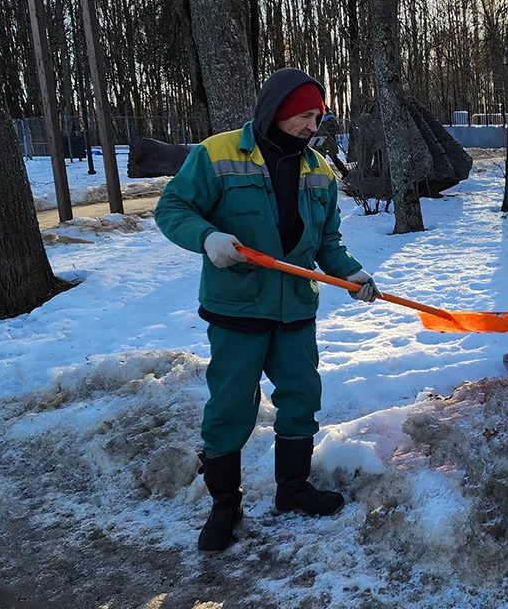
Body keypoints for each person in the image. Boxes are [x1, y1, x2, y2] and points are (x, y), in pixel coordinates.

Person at [155, 68, 380, 554]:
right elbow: (172, 209)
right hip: (237, 305)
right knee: (231, 403)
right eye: (303, 114)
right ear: (277, 111)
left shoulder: (319, 169)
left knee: (301, 395)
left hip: (295, 306)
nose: (311, 124)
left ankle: (292, 488)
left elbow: (327, 242)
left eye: (317, 116)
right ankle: (225, 504)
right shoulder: (216, 155)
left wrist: (352, 274)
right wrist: (207, 237)